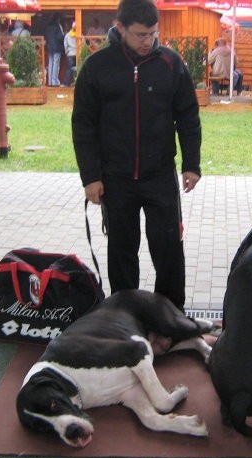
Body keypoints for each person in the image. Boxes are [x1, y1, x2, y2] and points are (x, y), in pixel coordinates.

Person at [72, 0, 202, 311]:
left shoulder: (171, 63)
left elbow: (188, 116)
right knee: (121, 253)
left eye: (153, 35)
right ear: (120, 28)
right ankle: (123, 317)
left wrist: (192, 164)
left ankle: (171, 318)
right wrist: (91, 177)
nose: (148, 42)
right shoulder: (97, 67)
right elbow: (83, 125)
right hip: (115, 178)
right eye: (140, 35)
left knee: (169, 250)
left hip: (160, 175)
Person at [44, 14, 65, 86]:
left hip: (49, 47)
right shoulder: (58, 26)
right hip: (57, 48)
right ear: (58, 19)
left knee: (50, 64)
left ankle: (49, 82)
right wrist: (64, 34)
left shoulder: (48, 27)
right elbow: (60, 37)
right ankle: (54, 81)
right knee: (56, 64)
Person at [62, 21, 77, 87]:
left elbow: (65, 45)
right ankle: (76, 83)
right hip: (77, 54)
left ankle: (66, 84)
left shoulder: (67, 35)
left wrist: (66, 52)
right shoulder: (79, 35)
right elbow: (83, 43)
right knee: (77, 69)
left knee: (69, 69)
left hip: (70, 54)